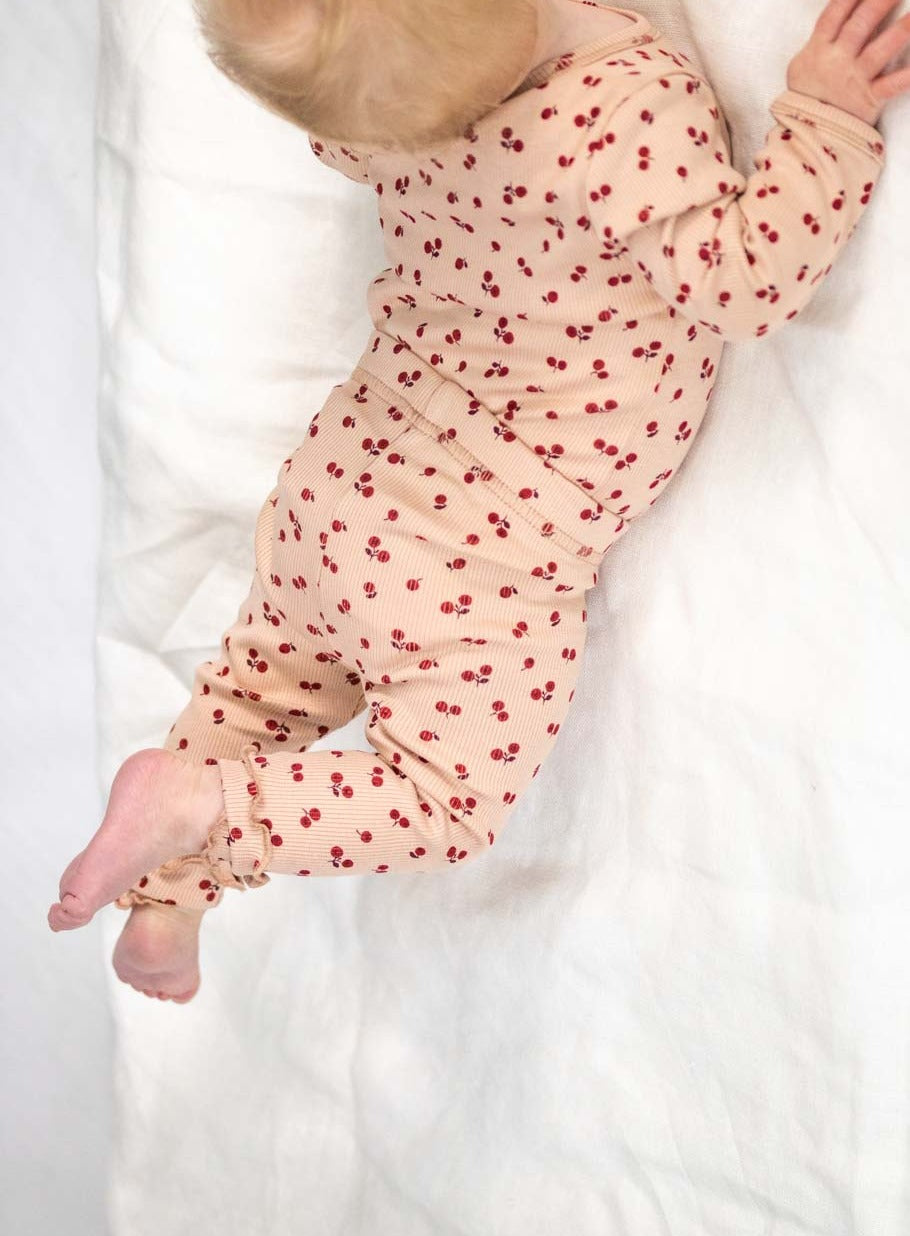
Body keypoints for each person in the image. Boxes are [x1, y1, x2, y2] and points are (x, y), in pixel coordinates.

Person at [49, 0, 908, 1005]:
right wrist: (825, 114)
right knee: (443, 800)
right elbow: (745, 281)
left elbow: (339, 85)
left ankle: (166, 901)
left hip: (347, 476)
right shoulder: (616, 118)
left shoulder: (373, 120)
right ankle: (208, 811)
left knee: (259, 688)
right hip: (475, 555)